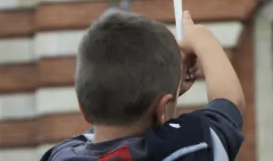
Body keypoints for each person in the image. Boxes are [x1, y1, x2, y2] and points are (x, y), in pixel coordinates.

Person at [41, 10, 246, 161]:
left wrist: (166, 94)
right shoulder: (185, 148)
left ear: (83, 107)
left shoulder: (61, 155)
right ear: (161, 108)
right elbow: (230, 104)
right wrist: (203, 40)